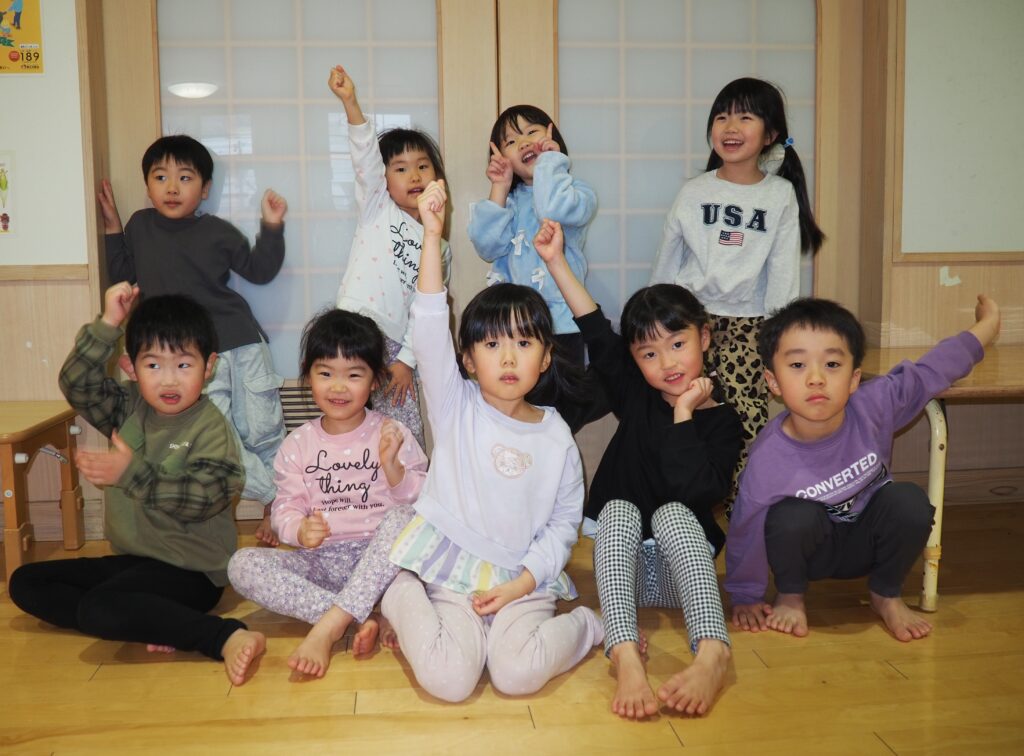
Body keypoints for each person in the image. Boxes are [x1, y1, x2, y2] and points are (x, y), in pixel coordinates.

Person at [380, 181, 603, 703]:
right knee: (450, 682)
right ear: (467, 359)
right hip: (450, 574)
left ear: (545, 358)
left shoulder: (556, 436)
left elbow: (563, 526)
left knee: (516, 676)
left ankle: (590, 625)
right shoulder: (455, 407)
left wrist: (521, 584)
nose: (507, 358)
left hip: (524, 582)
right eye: (492, 344)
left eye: (524, 343)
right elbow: (429, 325)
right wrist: (431, 234)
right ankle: (399, 592)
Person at [8, 283, 266, 686]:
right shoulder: (129, 406)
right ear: (130, 368)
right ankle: (154, 621)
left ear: (209, 367)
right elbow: (77, 384)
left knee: (99, 608)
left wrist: (130, 472)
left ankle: (222, 636)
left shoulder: (211, 427)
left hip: (193, 572)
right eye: (153, 365)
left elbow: (204, 498)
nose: (169, 380)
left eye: (184, 365)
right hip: (134, 561)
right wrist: (109, 322)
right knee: (26, 583)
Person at [535, 219, 742, 720]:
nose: (667, 363)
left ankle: (713, 652)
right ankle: (624, 653)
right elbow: (593, 326)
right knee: (618, 510)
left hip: (680, 574)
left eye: (677, 344)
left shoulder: (724, 422)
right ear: (635, 360)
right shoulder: (634, 392)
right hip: (621, 573)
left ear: (704, 337)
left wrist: (684, 414)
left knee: (672, 513)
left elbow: (697, 492)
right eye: (649, 353)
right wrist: (555, 260)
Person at [726, 295, 1001, 642]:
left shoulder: (874, 404)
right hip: (812, 555)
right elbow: (746, 529)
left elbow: (932, 370)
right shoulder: (768, 457)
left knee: (909, 501)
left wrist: (987, 326)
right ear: (773, 382)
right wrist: (746, 596)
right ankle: (791, 595)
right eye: (797, 365)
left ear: (854, 378)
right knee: (790, 517)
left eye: (832, 364)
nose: (816, 378)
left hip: (869, 544)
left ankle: (886, 593)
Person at [99, 135, 289, 546]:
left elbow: (259, 271)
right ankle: (283, 498)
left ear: (204, 189)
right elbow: (124, 276)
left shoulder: (218, 231)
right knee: (219, 439)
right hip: (189, 361)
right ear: (147, 185)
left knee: (264, 430)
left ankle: (277, 513)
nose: (172, 187)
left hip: (242, 342)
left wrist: (272, 226)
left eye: (184, 178)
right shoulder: (140, 226)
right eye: (160, 177)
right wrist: (113, 226)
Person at [650, 77, 825, 503]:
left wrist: (780, 340)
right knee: (686, 415)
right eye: (722, 117)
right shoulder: (695, 191)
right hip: (689, 326)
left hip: (750, 329)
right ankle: (686, 510)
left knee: (746, 424)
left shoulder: (779, 195)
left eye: (745, 117)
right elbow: (668, 260)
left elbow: (782, 273)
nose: (730, 127)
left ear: (770, 134)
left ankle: (743, 513)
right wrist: (655, 321)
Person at [227, 308, 428, 679]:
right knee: (242, 565)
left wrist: (394, 470)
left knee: (405, 522)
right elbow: (285, 508)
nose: (338, 387)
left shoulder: (393, 432)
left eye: (353, 375)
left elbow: (422, 503)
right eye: (325, 373)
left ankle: (331, 625)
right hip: (322, 562)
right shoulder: (297, 444)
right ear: (308, 375)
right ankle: (358, 614)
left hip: (385, 565)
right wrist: (299, 529)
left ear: (375, 381)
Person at [329, 64, 452, 450]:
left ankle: (408, 485)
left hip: (397, 347)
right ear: (383, 180)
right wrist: (351, 102)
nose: (414, 175)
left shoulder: (439, 245)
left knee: (401, 431)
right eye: (400, 168)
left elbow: (428, 308)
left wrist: (407, 361)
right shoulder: (377, 207)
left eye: (423, 166)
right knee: (347, 419)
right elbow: (365, 157)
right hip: (352, 330)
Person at [468, 104, 597, 369]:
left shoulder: (577, 193)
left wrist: (550, 162)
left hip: (563, 324)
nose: (524, 142)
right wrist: (499, 187)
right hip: (514, 326)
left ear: (552, 138)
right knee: (517, 393)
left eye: (531, 132)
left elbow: (552, 208)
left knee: (563, 394)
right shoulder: (508, 204)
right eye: (511, 141)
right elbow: (486, 247)